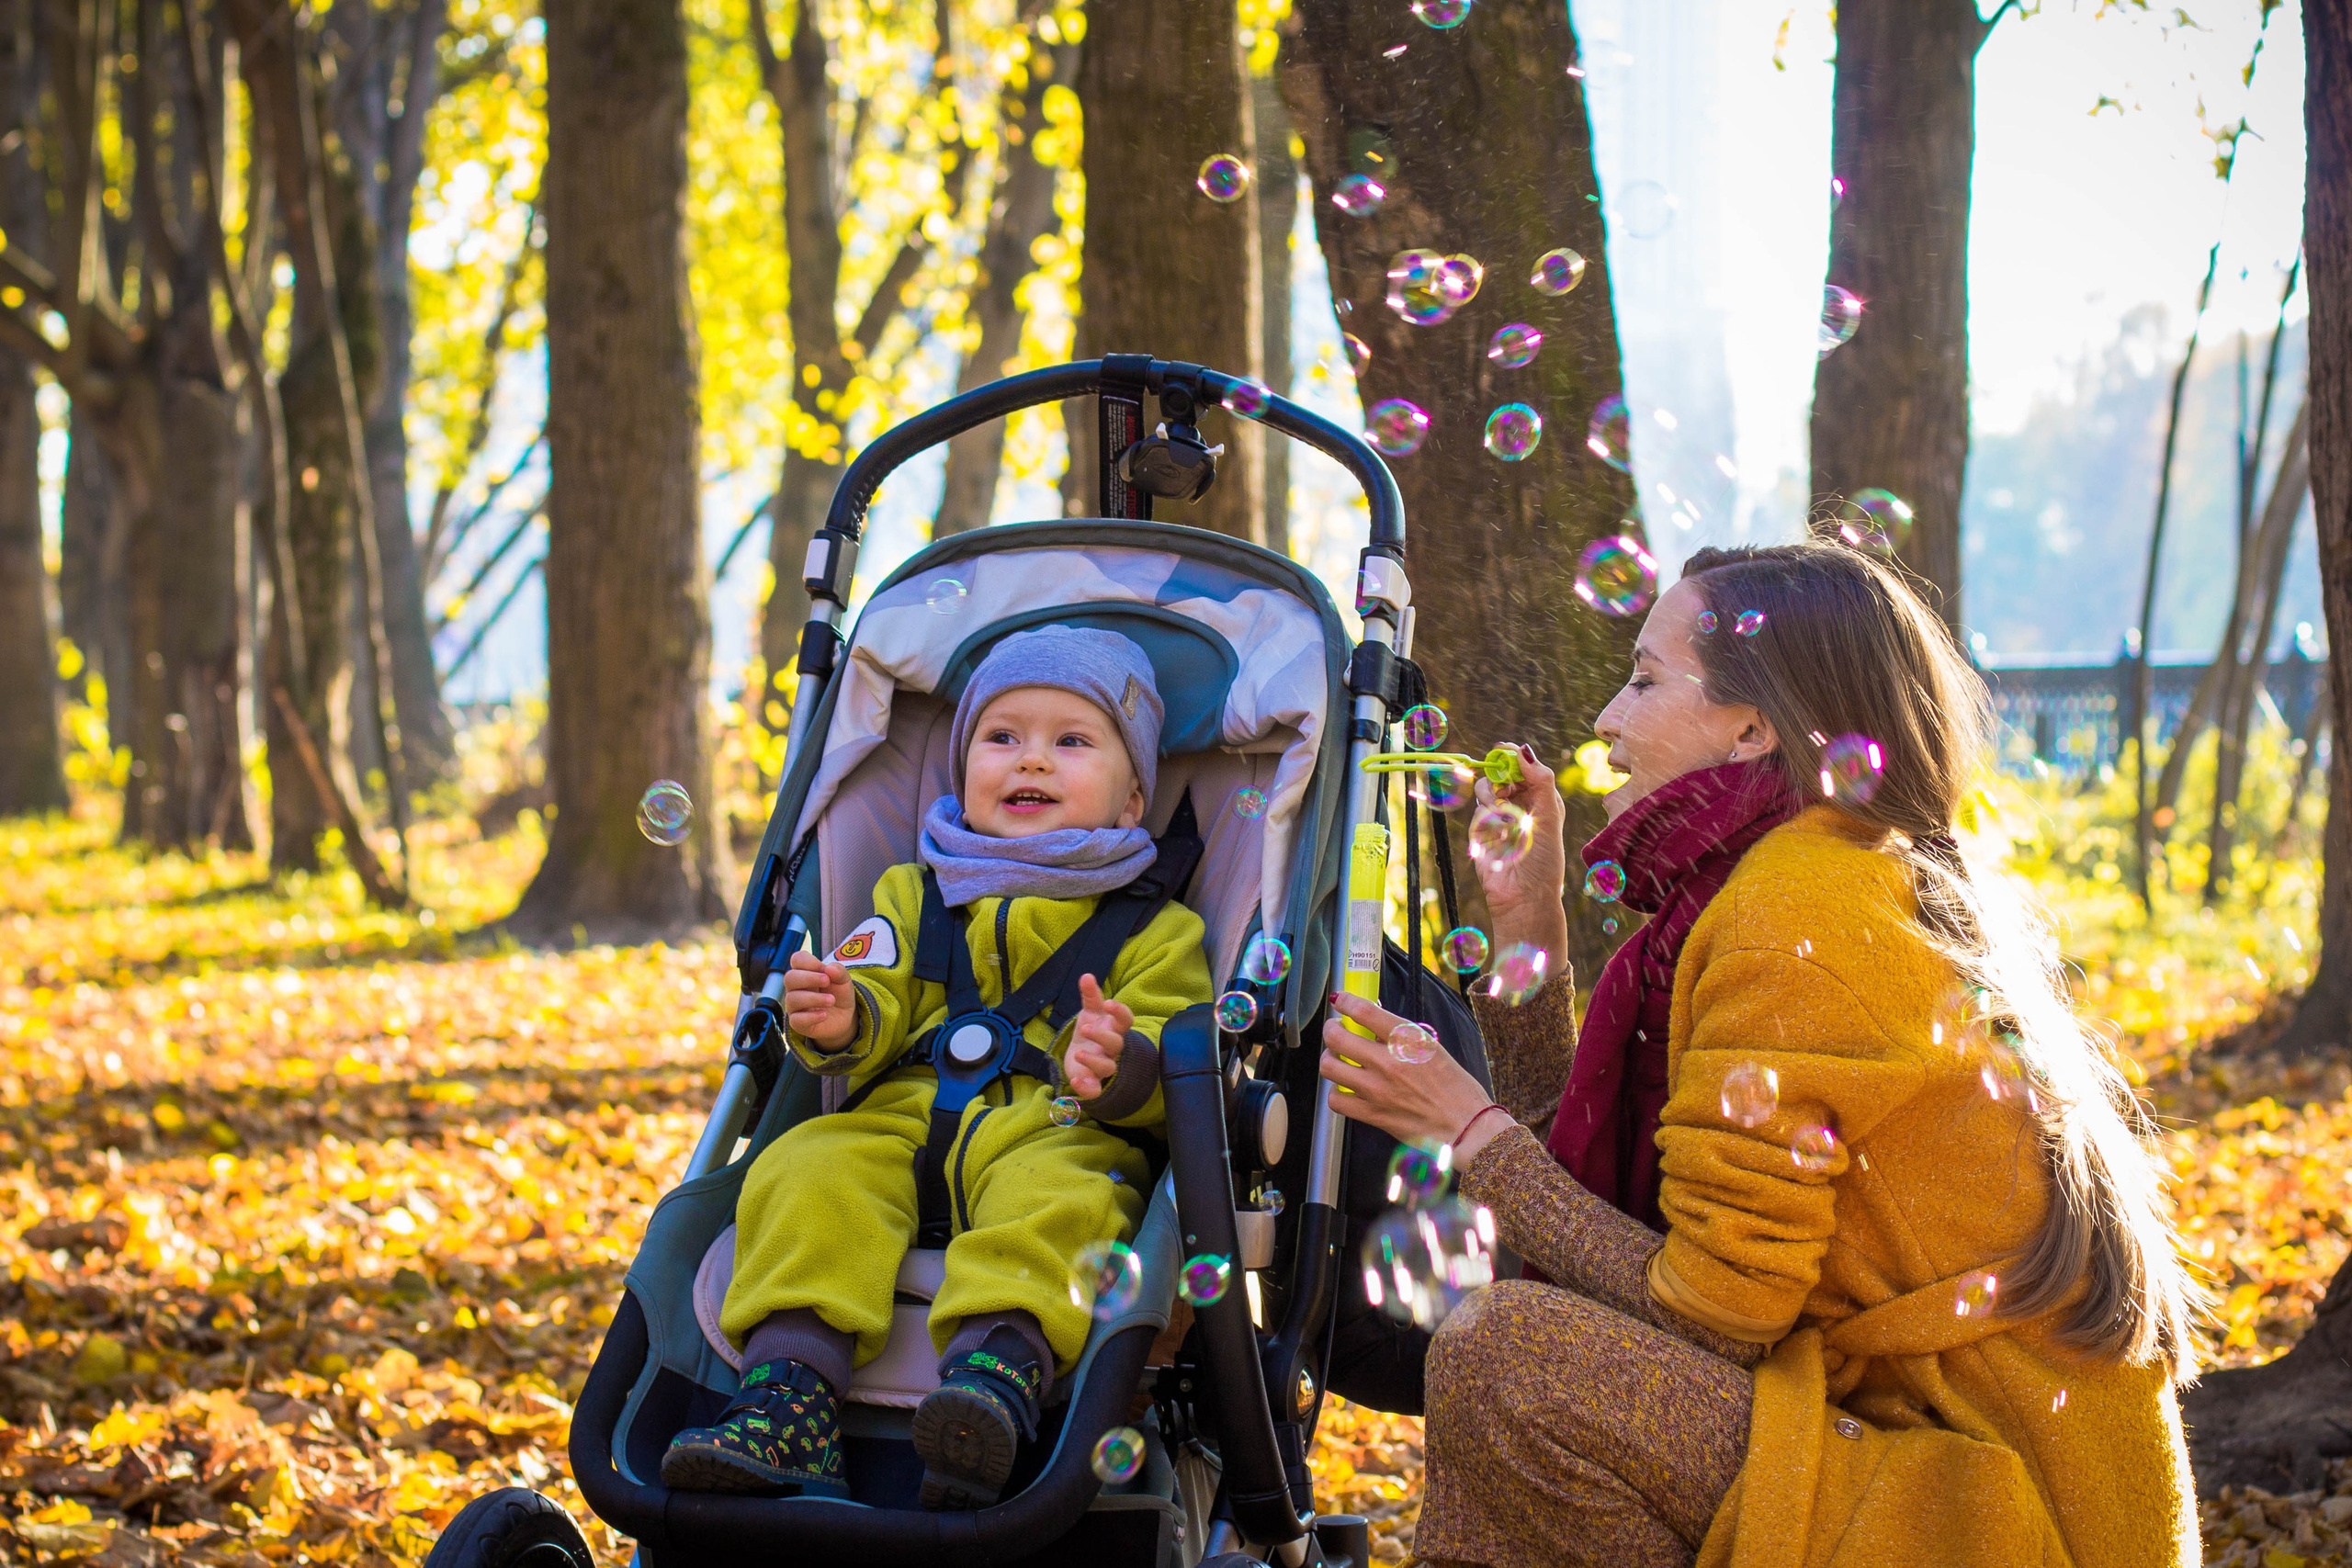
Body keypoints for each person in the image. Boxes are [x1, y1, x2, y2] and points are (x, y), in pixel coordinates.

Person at [1320, 543, 2205, 1568]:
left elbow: (1708, 1320)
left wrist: (1469, 1133)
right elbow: (1611, 1227)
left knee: (1507, 1356)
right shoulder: (1805, 881)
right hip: (1917, 1461)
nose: (1606, 718)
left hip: (1992, 1510)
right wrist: (1528, 937)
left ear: (1751, 728)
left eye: (1646, 679)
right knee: (1517, 1349)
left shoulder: (1793, 921)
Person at [663, 626, 1211, 1509]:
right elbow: (872, 992)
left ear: (1129, 799)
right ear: (962, 772)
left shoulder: (1158, 929)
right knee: (807, 1167)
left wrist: (1122, 1059)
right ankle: (790, 1396)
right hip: (900, 1120)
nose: (1030, 759)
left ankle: (994, 1377)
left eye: (1071, 741)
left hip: (1053, 1128)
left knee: (1072, 1201)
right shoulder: (910, 894)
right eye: (1002, 737)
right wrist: (846, 1017)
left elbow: (1173, 1051)